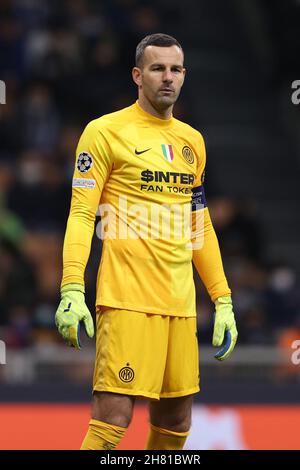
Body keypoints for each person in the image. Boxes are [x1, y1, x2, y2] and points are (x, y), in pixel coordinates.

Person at [55, 33, 238, 451]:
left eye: (175, 69)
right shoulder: (104, 133)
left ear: (185, 75)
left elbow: (200, 227)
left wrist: (223, 299)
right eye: (157, 69)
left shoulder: (193, 142)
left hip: (179, 304)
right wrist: (71, 288)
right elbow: (82, 214)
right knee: (113, 419)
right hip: (126, 300)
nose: (167, 78)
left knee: (176, 422)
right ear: (138, 75)